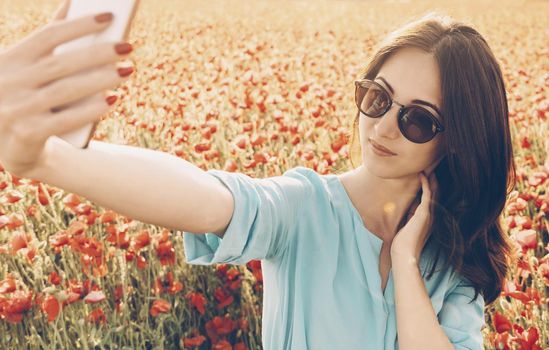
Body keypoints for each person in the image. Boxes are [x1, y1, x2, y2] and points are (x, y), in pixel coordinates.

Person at [0, 2, 515, 349]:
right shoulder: (306, 209)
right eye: (377, 97)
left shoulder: (455, 262)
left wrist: (405, 261)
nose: (382, 126)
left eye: (418, 119)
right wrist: (48, 160)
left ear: (458, 139)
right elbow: (205, 196)